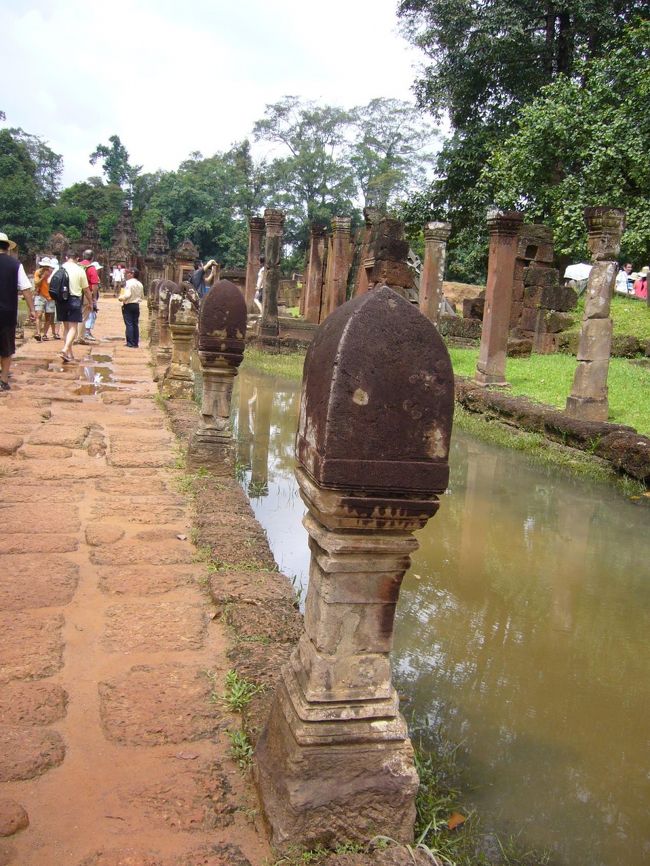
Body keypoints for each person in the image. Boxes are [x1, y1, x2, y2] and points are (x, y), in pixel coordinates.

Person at [0, 231, 35, 391]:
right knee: (6, 347)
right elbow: (26, 288)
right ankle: (3, 380)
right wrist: (32, 310)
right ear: (8, 248)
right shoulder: (15, 265)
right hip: (7, 312)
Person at [58, 251, 91, 363]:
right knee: (73, 327)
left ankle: (69, 354)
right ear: (77, 259)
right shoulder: (80, 270)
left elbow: (50, 282)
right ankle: (65, 349)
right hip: (74, 299)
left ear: (66, 257)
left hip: (61, 300)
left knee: (66, 327)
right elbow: (86, 289)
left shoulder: (60, 268)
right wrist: (91, 302)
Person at [78, 250, 100, 343]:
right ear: (92, 258)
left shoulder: (77, 266)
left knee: (74, 315)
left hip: (74, 293)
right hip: (85, 294)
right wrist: (93, 298)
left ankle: (72, 335)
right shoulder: (91, 268)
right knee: (83, 317)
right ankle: (80, 337)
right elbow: (94, 285)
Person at [119, 266, 144, 347]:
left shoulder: (128, 283)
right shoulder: (140, 284)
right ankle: (135, 342)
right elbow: (142, 296)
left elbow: (127, 295)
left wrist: (120, 298)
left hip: (128, 305)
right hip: (136, 305)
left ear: (132, 274)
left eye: (129, 273)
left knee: (129, 324)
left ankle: (130, 343)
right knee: (135, 323)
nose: (127, 274)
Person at [33, 257, 56, 341]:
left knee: (48, 317)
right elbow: (36, 283)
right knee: (38, 315)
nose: (46, 267)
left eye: (47, 266)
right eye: (44, 266)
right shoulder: (38, 272)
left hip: (50, 297)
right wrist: (43, 277)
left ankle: (45, 334)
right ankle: (38, 333)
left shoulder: (53, 273)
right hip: (40, 296)